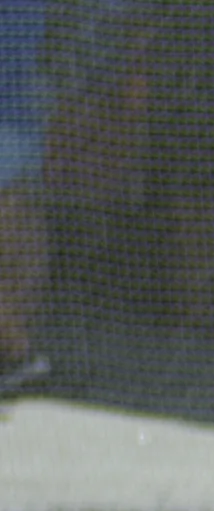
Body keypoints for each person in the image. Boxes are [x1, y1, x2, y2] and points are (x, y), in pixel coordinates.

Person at [0, 0, 48, 394]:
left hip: (15, 124)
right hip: (18, 124)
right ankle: (17, 349)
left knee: (20, 230)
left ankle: (17, 349)